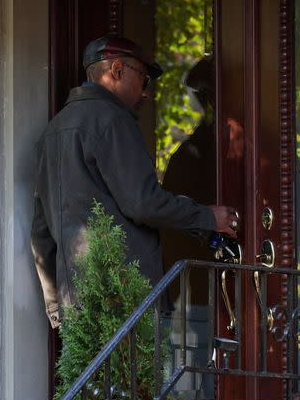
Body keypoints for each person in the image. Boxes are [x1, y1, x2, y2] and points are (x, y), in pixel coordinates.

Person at [30, 36, 240, 328]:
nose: (146, 93)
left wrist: (57, 309)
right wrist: (207, 217)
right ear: (117, 70)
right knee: (138, 375)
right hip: (126, 299)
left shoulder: (52, 131)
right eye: (144, 79)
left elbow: (41, 232)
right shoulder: (113, 120)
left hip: (78, 306)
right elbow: (143, 203)